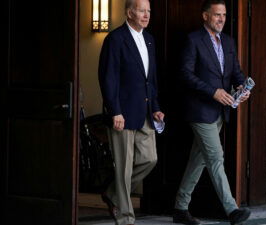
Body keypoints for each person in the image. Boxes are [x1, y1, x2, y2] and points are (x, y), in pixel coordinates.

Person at [173, 0, 251, 225]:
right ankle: (232, 210)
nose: (221, 19)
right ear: (205, 16)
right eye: (217, 15)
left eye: (224, 15)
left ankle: (180, 207)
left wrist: (242, 88)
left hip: (220, 112)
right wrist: (213, 92)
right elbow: (185, 75)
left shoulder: (228, 41)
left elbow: (236, 72)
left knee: (198, 160)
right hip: (199, 110)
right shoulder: (193, 40)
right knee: (216, 157)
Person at [98, 0, 164, 224]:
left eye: (149, 11)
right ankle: (125, 217)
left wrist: (155, 107)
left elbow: (150, 80)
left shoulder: (149, 39)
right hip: (122, 114)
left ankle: (114, 193)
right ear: (129, 12)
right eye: (142, 11)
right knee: (123, 168)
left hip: (144, 111)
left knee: (150, 159)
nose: (147, 15)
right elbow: (108, 78)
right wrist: (114, 110)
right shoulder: (115, 39)